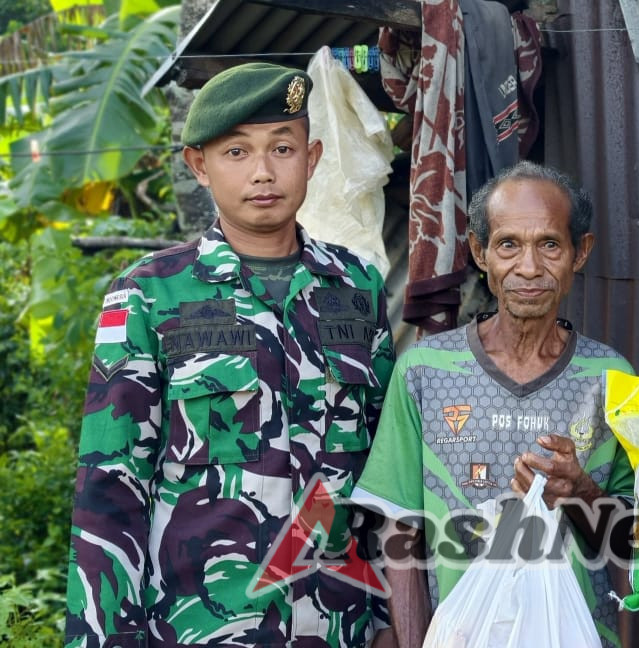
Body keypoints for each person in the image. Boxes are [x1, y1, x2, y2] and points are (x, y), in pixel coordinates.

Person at [64, 63, 396, 647]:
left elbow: (385, 476)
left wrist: (396, 622)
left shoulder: (357, 287)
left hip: (343, 625)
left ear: (312, 158)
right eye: (237, 152)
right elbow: (109, 488)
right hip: (203, 628)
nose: (264, 172)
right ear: (200, 167)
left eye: (283, 148)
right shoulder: (149, 292)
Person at [350, 161, 635, 648]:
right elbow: (401, 536)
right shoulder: (424, 371)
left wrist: (581, 491)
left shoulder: (612, 380)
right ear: (480, 253)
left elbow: (632, 542)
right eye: (508, 245)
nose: (528, 268)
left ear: (579, 253)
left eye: (549, 244)